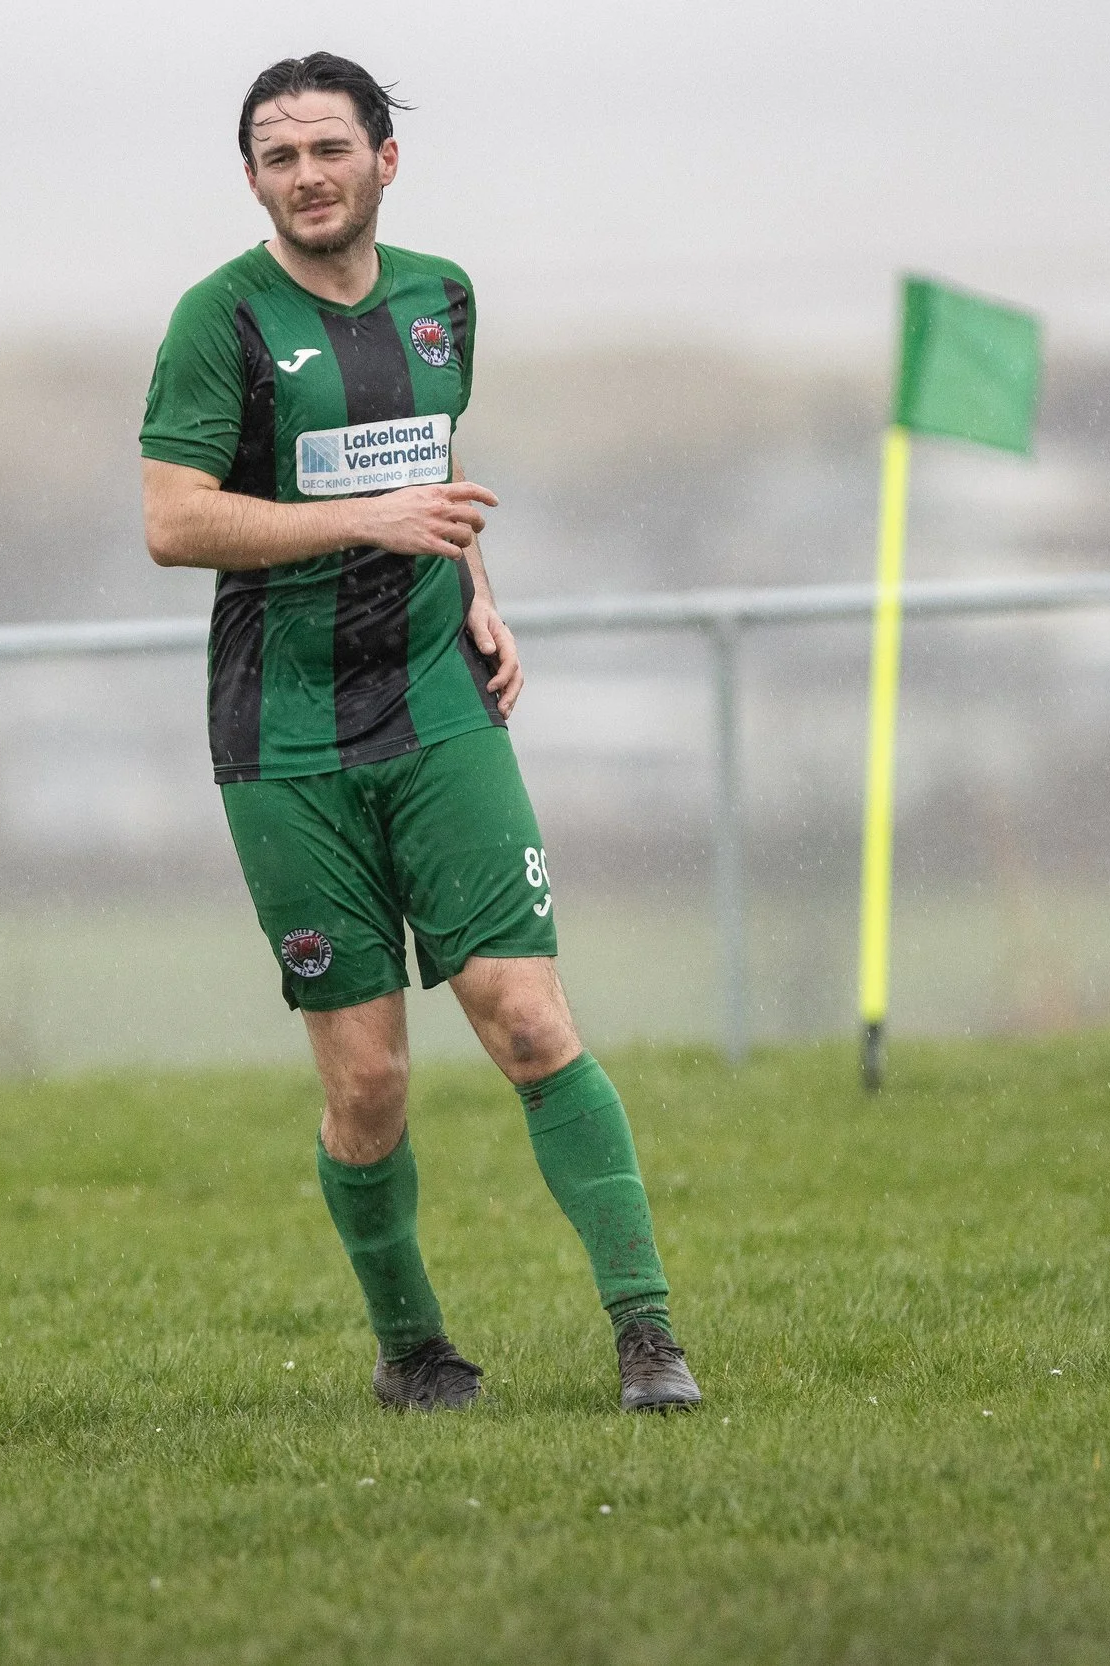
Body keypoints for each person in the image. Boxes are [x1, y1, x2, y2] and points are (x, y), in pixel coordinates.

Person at [140, 53, 701, 1414]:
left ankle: (648, 1332)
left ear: (385, 159)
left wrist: (486, 596)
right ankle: (412, 1348)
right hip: (284, 738)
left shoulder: (442, 299)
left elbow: (428, 469)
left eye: (329, 148)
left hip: (442, 707)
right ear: (254, 182)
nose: (307, 175)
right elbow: (173, 519)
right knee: (372, 1080)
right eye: (279, 158)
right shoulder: (217, 321)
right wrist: (363, 523)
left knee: (525, 1015)